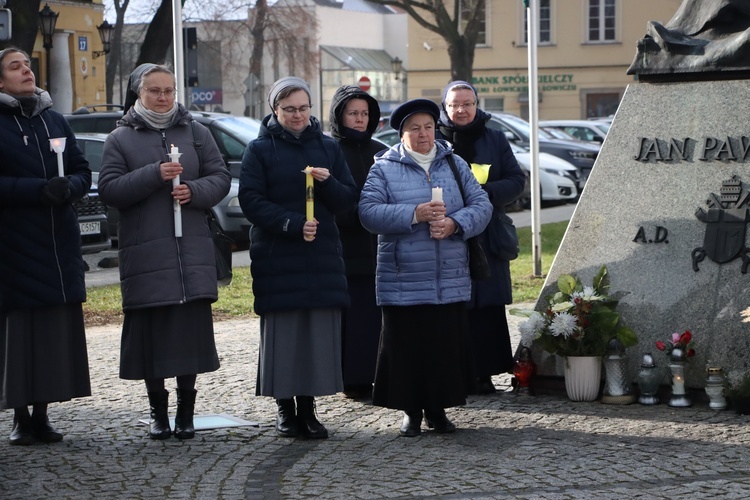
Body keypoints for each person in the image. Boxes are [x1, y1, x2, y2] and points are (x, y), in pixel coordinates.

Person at [98, 64, 231, 440]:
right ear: (139, 94)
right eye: (155, 91)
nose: (163, 97)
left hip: (190, 252)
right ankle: (158, 411)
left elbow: (220, 177)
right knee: (152, 340)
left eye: (169, 90)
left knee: (189, 337)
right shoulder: (120, 138)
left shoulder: (196, 131)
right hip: (147, 257)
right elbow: (110, 190)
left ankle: (186, 412)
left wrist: (194, 191)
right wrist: (154, 174)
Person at [359, 98, 492, 437]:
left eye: (429, 127)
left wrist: (454, 224)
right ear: (402, 133)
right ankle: (411, 412)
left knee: (443, 347)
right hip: (403, 276)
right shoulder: (384, 168)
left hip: (448, 276)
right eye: (415, 128)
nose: (423, 134)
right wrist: (413, 214)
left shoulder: (454, 163)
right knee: (407, 348)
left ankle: (439, 409)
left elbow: (481, 205)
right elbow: (368, 213)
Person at [239, 77, 358, 439]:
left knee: (315, 335)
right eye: (289, 109)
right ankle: (284, 409)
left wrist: (327, 184)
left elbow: (347, 198)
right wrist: (291, 224)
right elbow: (251, 201)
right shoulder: (259, 149)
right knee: (285, 335)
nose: (297, 115)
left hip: (321, 255)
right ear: (275, 110)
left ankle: (309, 408)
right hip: (279, 255)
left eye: (303, 108)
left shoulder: (327, 147)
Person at [0, 47, 92, 445]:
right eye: (15, 66)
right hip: (14, 247)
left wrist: (68, 187)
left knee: (52, 334)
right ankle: (20, 417)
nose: (27, 71)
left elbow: (81, 169)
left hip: (57, 245)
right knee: (21, 336)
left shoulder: (53, 119)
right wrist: (39, 191)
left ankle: (43, 414)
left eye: (27, 64)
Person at [436, 81, 527, 395]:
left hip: (488, 235)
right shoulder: (433, 140)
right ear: (445, 108)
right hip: (446, 235)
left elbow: (517, 181)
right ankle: (455, 374)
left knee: (487, 304)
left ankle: (486, 372)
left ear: (477, 105)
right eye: (454, 104)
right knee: (453, 307)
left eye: (467, 103)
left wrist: (482, 194)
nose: (461, 110)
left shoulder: (495, 138)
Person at [328, 85, 384, 399]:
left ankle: (376, 373)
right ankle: (351, 378)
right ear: (340, 115)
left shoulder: (380, 150)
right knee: (350, 320)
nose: (359, 119)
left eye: (364, 114)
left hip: (378, 248)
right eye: (353, 113)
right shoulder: (329, 149)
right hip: (343, 248)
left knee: (374, 318)